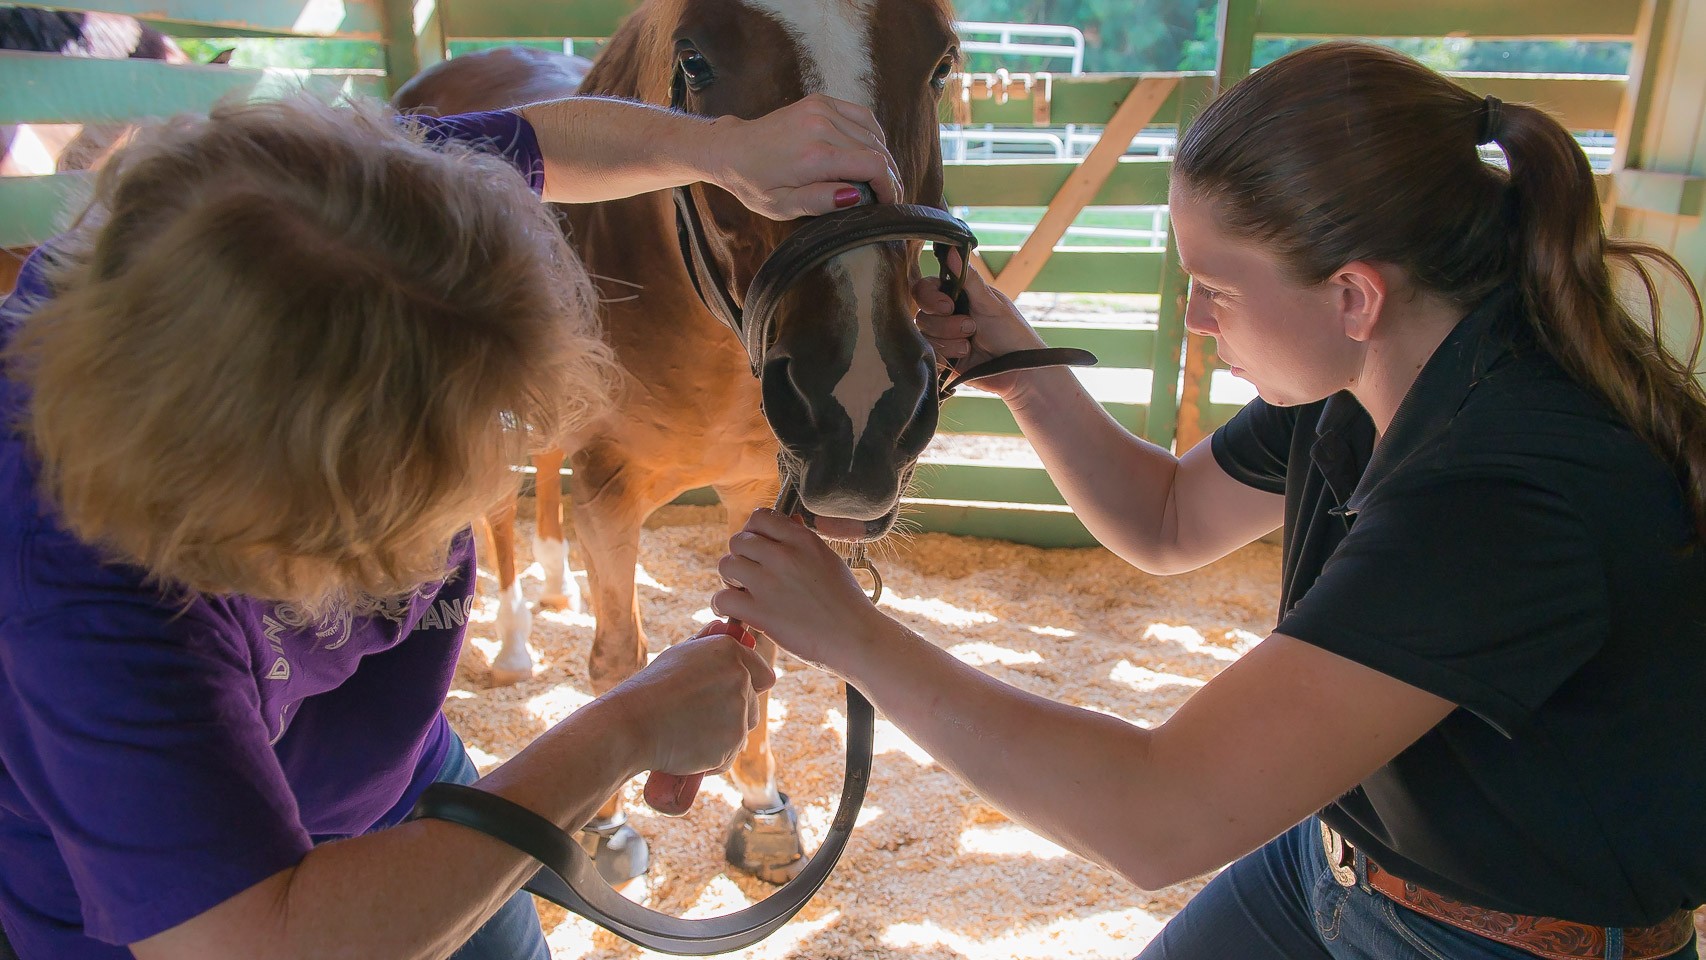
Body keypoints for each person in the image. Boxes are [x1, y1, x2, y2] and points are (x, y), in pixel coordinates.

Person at [715, 40, 1706, 960]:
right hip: (1336, 865)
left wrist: (854, 638)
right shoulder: (1372, 374)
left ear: (1351, 294)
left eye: (1212, 289)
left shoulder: (1504, 491)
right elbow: (1168, 519)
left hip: (1498, 939)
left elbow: (1158, 818)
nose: (1192, 320)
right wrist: (1022, 369)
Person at [0, 87, 902, 960]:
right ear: (279, 508)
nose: (453, 532)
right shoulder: (73, 593)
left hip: (402, 782)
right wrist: (620, 730)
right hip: (166, 911)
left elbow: (535, 146)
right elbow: (259, 939)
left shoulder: (328, 214)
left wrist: (720, 150)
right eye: (420, 490)